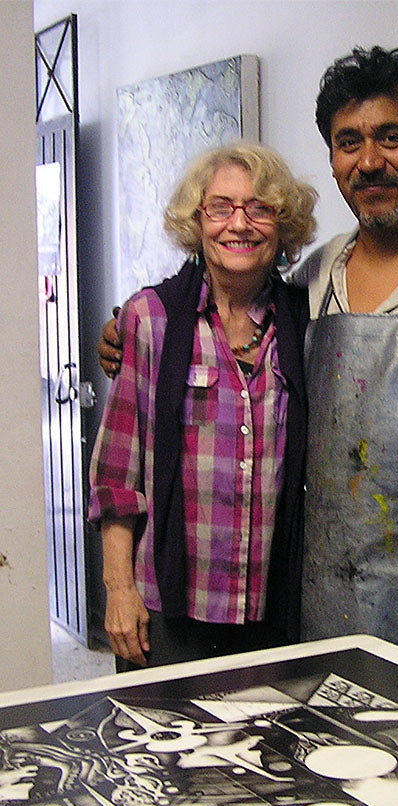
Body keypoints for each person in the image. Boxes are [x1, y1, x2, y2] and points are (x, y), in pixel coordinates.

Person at [99, 47, 398, 670]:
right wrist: (126, 332)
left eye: (391, 138)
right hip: (323, 612)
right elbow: (224, 300)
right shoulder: (317, 278)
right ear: (333, 160)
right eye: (349, 142)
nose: (369, 161)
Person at [89, 142, 316, 670]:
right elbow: (117, 478)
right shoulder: (151, 320)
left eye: (260, 208)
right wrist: (119, 590)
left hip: (273, 613)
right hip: (166, 611)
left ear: (283, 226)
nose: (239, 224)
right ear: (197, 221)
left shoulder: (305, 323)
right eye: (220, 207)